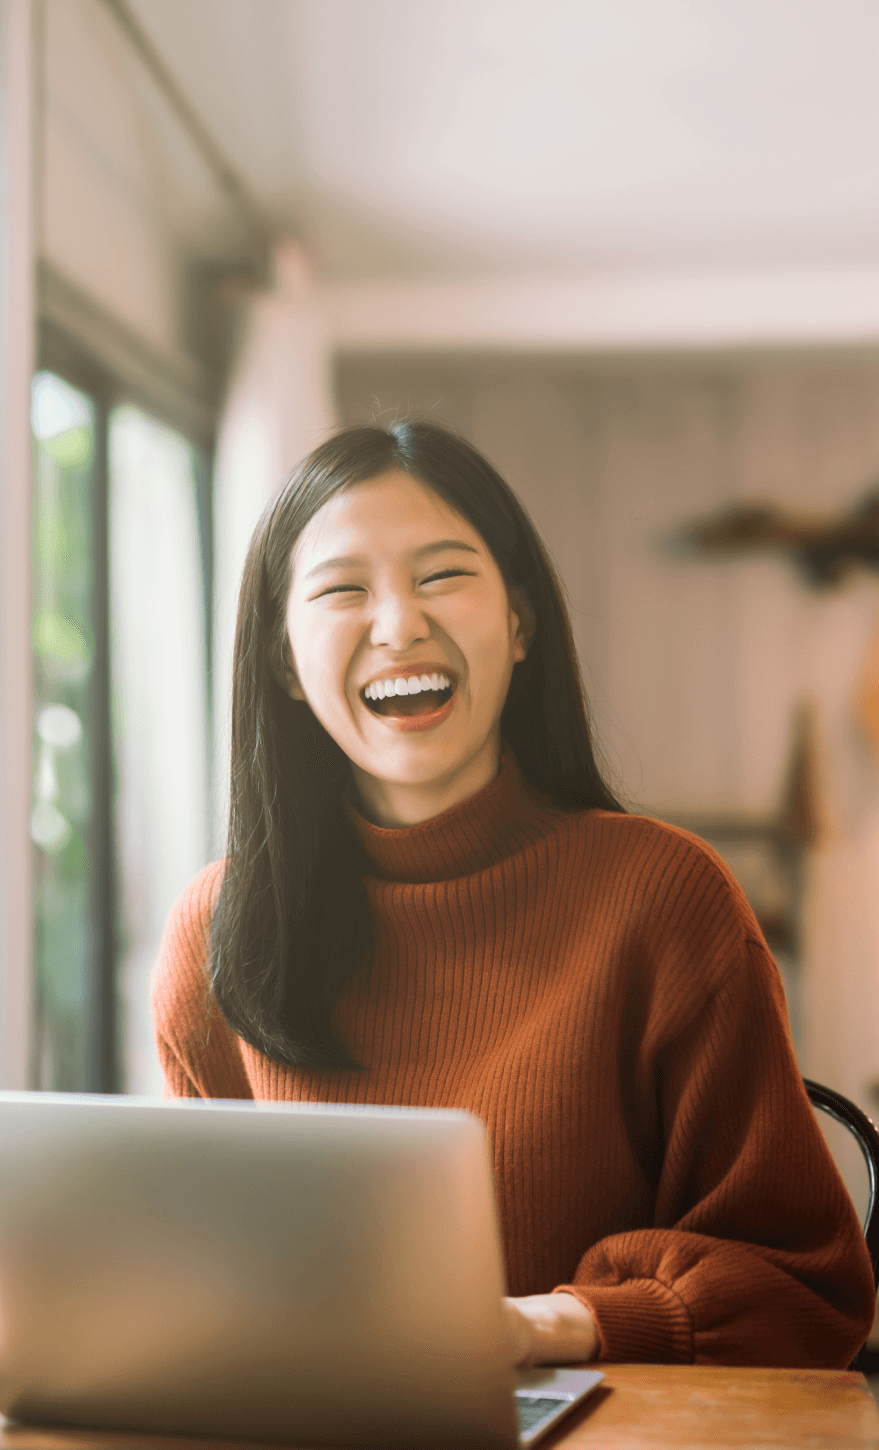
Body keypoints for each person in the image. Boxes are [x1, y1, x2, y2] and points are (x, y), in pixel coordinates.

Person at [151, 419, 874, 1369]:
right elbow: (206, 1272)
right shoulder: (219, 930)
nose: (399, 624)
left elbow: (809, 1292)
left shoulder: (663, 898)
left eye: (442, 575)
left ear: (521, 622)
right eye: (341, 590)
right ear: (285, 661)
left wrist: (550, 1324)